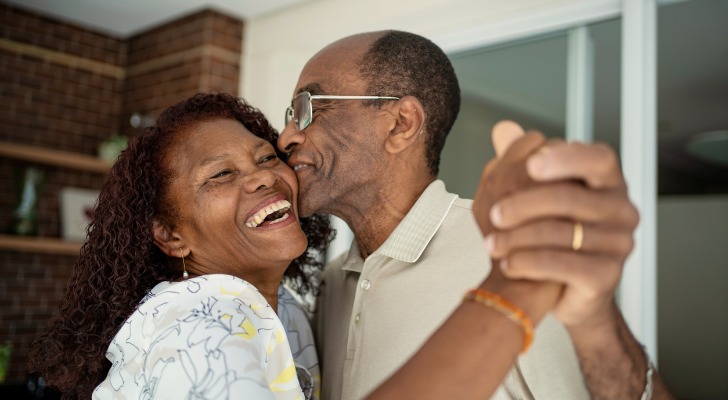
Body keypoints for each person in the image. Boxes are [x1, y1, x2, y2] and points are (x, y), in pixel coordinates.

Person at [27, 92, 578, 400]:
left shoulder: (290, 308)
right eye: (220, 175)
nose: (267, 173)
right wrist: (510, 293)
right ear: (171, 235)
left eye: (265, 158)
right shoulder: (202, 315)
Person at [276, 30, 675, 399]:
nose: (286, 137)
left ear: (401, 124)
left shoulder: (508, 254)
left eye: (307, 108)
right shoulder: (334, 282)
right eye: (289, 115)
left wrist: (596, 319)